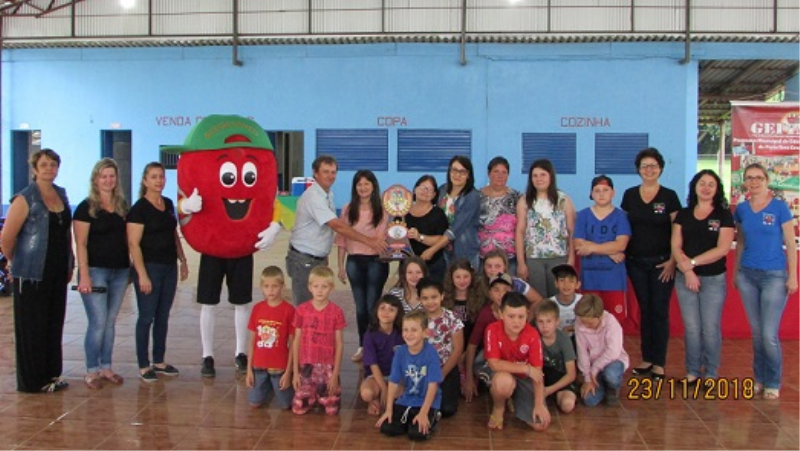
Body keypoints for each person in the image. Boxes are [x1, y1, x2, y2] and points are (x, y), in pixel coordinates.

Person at [1, 149, 74, 393]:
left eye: (53, 164)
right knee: (32, 326)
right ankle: (32, 381)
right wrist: (17, 261)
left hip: (56, 270)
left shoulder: (61, 194)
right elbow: (7, 237)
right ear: (34, 168)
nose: (49, 168)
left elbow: (64, 234)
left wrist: (69, 263)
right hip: (31, 273)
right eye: (44, 164)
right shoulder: (24, 198)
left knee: (53, 323)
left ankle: (51, 375)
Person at [734, 163, 797, 400]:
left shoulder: (780, 208)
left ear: (767, 180)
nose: (754, 181)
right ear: (745, 181)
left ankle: (772, 381)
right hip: (747, 275)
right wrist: (735, 273)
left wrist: (793, 276)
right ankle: (758, 379)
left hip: (774, 276)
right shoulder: (741, 210)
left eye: (759, 177)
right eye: (750, 178)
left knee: (769, 334)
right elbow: (740, 242)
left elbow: (790, 244)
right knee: (757, 333)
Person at [286, 155, 385, 305]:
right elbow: (337, 226)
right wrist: (369, 241)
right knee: (305, 307)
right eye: (326, 171)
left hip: (317, 259)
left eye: (333, 172)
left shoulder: (328, 195)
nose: (330, 176)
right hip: (304, 260)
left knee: (317, 304)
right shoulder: (314, 197)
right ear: (315, 173)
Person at [621, 148, 681, 381]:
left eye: (653, 166)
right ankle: (646, 358)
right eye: (645, 166)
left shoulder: (669, 196)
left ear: (661, 169)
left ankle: (659, 363)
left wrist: (672, 261)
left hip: (662, 264)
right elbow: (624, 228)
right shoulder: (629, 195)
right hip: (635, 263)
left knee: (659, 311)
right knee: (644, 310)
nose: (649, 170)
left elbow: (678, 232)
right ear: (638, 169)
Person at [127, 162, 189, 382]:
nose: (159, 181)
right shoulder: (139, 209)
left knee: (163, 315)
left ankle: (159, 360)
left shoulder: (169, 203)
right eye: (153, 177)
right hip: (149, 268)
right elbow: (134, 245)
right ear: (145, 181)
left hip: (168, 267)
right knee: (146, 316)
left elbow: (173, 234)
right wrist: (142, 274)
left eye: (161, 176)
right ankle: (144, 364)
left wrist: (182, 259)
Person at [672, 170, 734, 387]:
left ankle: (710, 372)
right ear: (695, 186)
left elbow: (723, 249)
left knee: (709, 327)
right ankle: (692, 371)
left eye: (711, 184)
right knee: (691, 328)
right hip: (685, 279)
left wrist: (693, 263)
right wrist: (687, 271)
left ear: (717, 189)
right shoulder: (684, 214)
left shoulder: (723, 215)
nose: (706, 188)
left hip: (713, 279)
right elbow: (676, 246)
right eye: (702, 183)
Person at [73, 158, 130, 389]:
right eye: (103, 176)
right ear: (96, 179)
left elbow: (128, 239)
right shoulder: (85, 207)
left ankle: (106, 367)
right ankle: (91, 370)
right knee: (97, 322)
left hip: (120, 272)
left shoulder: (122, 206)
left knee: (110, 322)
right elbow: (81, 243)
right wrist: (84, 274)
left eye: (112, 176)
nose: (108, 180)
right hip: (95, 271)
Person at [335, 170, 390, 362]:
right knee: (360, 307)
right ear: (355, 187)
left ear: (373, 186)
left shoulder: (382, 210)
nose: (363, 187)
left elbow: (380, 241)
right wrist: (340, 266)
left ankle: (376, 345)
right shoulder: (348, 208)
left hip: (376, 262)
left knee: (373, 305)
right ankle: (362, 345)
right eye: (359, 184)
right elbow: (342, 238)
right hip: (354, 262)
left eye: (367, 183)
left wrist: (373, 243)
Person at [484, 292, 550, 432]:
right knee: (503, 383)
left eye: (521, 317)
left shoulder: (532, 334)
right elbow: (494, 363)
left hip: (524, 378)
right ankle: (499, 407)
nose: (516, 321)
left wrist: (539, 403)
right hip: (504, 373)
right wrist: (526, 369)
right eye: (511, 316)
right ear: (501, 314)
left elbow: (537, 372)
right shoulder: (492, 330)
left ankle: (515, 399)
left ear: (527, 314)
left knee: (540, 425)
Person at [376, 310, 443, 441]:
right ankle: (408, 420)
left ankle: (432, 416)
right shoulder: (400, 352)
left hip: (427, 401)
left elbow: (433, 385)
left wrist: (424, 413)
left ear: (425, 333)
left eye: (414, 330)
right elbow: (393, 382)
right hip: (407, 399)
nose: (408, 334)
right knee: (387, 428)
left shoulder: (431, 354)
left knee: (417, 434)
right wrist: (388, 410)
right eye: (405, 330)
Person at [574, 175, 631, 325]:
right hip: (589, 277)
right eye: (597, 190)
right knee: (590, 319)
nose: (601, 193)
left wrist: (592, 247)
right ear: (591, 194)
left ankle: (614, 349)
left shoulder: (620, 216)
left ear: (613, 192)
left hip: (614, 278)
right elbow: (578, 244)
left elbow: (621, 245)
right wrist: (609, 251)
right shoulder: (583, 215)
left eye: (605, 190)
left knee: (614, 322)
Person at [516, 159, 576, 298]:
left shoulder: (564, 200)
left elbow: (572, 230)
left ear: (551, 176)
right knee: (539, 300)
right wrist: (521, 263)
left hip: (559, 258)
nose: (539, 179)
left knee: (559, 298)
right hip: (534, 259)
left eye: (543, 175)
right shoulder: (525, 201)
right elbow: (520, 232)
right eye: (535, 175)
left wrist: (571, 259)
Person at [291, 266, 346, 415]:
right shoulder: (301, 310)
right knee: (298, 409)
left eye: (324, 286)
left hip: (328, 366)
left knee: (331, 411)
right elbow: (296, 341)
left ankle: (322, 396)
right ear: (310, 287)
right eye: (316, 286)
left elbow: (339, 343)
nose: (320, 290)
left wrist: (335, 374)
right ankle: (311, 396)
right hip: (306, 365)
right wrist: (295, 372)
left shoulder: (336, 312)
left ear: (331, 288)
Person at [245, 266, 295, 409]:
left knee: (286, 405)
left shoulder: (289, 310)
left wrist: (288, 371)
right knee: (254, 403)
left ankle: (274, 387)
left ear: (282, 287)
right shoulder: (257, 308)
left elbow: (293, 343)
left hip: (279, 366)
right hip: (258, 365)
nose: (270, 290)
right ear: (261, 287)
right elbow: (253, 340)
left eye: (275, 286)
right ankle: (266, 388)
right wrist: (249, 370)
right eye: (266, 286)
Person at [463, 272, 514, 402]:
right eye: (496, 290)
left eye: (505, 290)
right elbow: (472, 345)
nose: (501, 294)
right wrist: (468, 378)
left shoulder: (517, 311)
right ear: (490, 293)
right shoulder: (486, 314)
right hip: (489, 357)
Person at [419, 278, 463, 418]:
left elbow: (457, 349)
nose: (430, 302)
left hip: (446, 368)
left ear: (442, 296)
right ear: (419, 299)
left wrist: (441, 374)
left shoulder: (452, 318)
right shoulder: (416, 318)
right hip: (421, 369)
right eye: (425, 298)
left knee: (447, 409)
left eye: (434, 297)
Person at [575, 294, 629, 407]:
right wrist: (588, 379)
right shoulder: (579, 322)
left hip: (613, 362)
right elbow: (582, 352)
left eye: (589, 323)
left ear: (599, 316)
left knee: (611, 374)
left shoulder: (611, 322)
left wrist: (595, 368)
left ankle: (613, 388)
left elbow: (613, 352)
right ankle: (602, 384)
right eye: (583, 321)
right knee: (589, 400)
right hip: (594, 367)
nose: (585, 325)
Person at [360, 294, 405, 415]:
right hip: (375, 376)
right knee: (366, 393)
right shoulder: (370, 334)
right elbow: (373, 364)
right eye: (383, 308)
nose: (386, 312)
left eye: (391, 309)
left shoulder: (402, 333)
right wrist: (384, 388)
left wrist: (391, 387)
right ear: (376, 311)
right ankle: (375, 399)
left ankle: (383, 399)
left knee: (403, 393)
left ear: (397, 314)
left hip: (396, 377)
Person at [479, 157, 522, 274]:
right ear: (488, 173)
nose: (500, 175)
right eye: (496, 172)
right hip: (483, 258)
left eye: (504, 172)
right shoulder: (476, 196)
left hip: (510, 259)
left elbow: (522, 228)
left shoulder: (517, 197)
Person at [534, 300, 578, 414]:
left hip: (560, 380)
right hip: (540, 379)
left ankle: (554, 396)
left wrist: (549, 390)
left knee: (567, 405)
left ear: (557, 322)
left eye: (549, 321)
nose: (545, 326)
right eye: (541, 322)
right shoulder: (533, 338)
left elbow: (571, 374)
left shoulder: (564, 339)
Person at [405, 175, 450, 284]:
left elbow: (442, 239)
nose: (425, 191)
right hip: (408, 265)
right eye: (423, 187)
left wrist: (419, 237)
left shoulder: (438, 214)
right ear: (415, 189)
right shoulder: (404, 212)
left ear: (434, 195)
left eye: (430, 190)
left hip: (433, 264)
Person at [438, 156, 481, 268]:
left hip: (465, 251)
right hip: (443, 252)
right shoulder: (442, 190)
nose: (457, 175)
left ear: (468, 175)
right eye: (454, 170)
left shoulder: (472, 196)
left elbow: (455, 229)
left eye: (462, 172)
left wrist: (432, 249)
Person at [442, 258, 484, 346]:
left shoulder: (479, 296)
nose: (462, 281)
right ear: (451, 278)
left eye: (466, 276)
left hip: (474, 344)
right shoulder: (443, 298)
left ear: (471, 277)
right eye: (458, 277)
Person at [549, 264, 582, 338]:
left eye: (571, 281)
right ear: (556, 283)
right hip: (557, 339)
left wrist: (573, 328)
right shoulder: (550, 303)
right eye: (562, 280)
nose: (566, 285)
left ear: (578, 284)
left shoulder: (582, 301)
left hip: (579, 338)